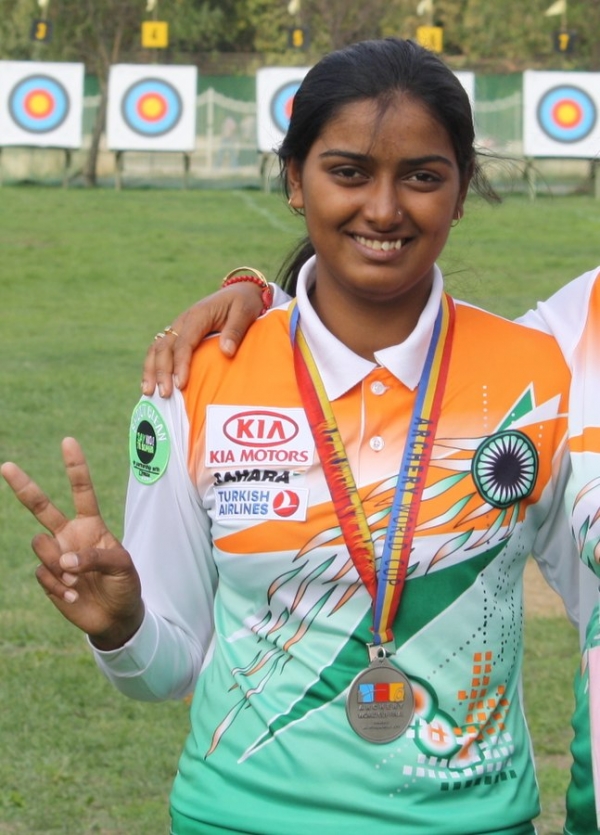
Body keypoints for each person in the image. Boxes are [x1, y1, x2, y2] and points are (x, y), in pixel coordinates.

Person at [1, 38, 586, 835]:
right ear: (292, 180)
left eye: (422, 175)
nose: (383, 208)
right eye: (348, 172)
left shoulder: (539, 374)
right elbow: (165, 670)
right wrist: (123, 624)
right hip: (237, 818)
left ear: (462, 189)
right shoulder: (197, 375)